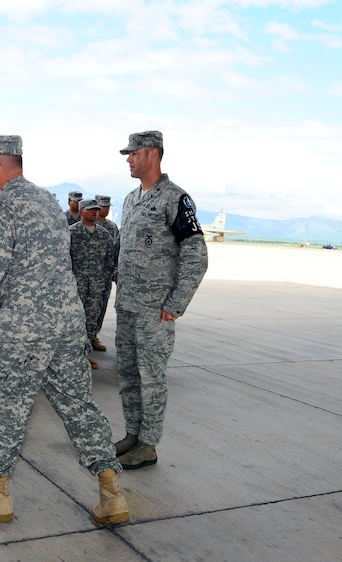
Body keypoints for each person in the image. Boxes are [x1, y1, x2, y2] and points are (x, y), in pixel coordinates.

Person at [0, 134, 128, 525]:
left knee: (7, 406)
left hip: (25, 325)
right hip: (66, 320)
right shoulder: (47, 200)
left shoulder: (0, 209)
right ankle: (111, 493)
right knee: (79, 405)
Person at [114, 130, 208, 470]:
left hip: (155, 312)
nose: (128, 158)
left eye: (133, 153)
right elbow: (123, 250)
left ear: (152, 154)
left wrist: (175, 303)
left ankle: (149, 444)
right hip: (126, 306)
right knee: (128, 376)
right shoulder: (129, 199)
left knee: (151, 377)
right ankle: (133, 434)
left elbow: (196, 255)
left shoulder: (175, 199)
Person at [69, 199, 115, 370]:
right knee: (74, 323)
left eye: (97, 210)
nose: (95, 213)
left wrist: (103, 283)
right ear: (81, 212)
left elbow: (110, 261)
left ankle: (84, 355)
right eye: (90, 210)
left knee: (90, 323)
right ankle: (72, 356)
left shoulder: (104, 235)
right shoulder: (71, 233)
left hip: (96, 289)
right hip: (75, 289)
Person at [92, 194, 118, 352]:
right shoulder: (88, 225)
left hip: (105, 276)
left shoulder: (112, 227)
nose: (106, 209)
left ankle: (94, 335)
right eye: (103, 206)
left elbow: (115, 251)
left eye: (108, 207)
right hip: (86, 277)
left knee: (101, 307)